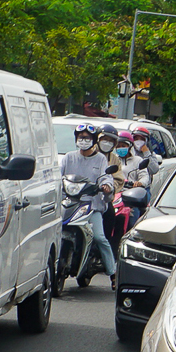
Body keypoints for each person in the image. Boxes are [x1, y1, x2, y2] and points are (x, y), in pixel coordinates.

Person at [59, 122, 117, 289]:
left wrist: (107, 186)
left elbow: (106, 178)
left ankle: (113, 274)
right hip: (70, 205)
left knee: (100, 238)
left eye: (86, 138)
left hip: (91, 207)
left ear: (93, 141)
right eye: (80, 138)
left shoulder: (100, 159)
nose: (83, 140)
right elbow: (58, 175)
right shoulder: (69, 157)